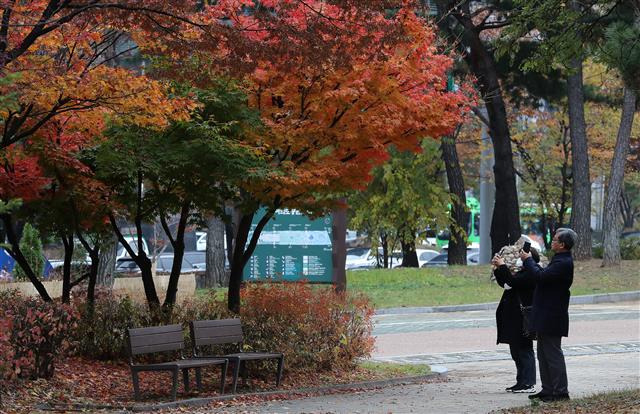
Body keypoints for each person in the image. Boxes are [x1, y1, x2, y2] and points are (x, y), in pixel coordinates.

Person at [520, 227, 576, 402]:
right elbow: (543, 275)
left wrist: (528, 260)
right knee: (543, 354)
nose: (552, 242)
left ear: (563, 245)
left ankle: (560, 392)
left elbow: (540, 277)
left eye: (555, 240)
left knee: (552, 354)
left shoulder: (563, 263)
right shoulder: (558, 260)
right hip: (546, 313)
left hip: (552, 315)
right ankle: (548, 389)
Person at [492, 248, 539, 393]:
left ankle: (528, 383)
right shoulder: (523, 272)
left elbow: (512, 281)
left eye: (521, 255)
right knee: (516, 351)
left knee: (524, 350)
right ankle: (521, 381)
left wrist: (503, 266)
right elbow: (507, 284)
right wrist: (498, 269)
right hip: (515, 318)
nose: (519, 258)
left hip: (523, 318)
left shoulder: (531, 273)